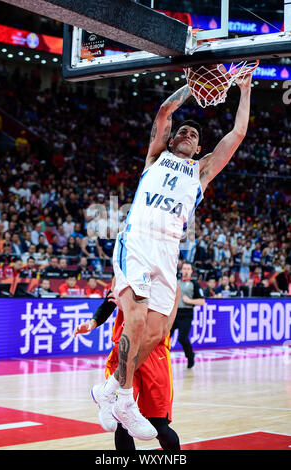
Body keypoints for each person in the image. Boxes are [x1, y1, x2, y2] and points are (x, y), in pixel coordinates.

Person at [92, 68, 253, 440]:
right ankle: (124, 401)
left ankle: (111, 389)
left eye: (193, 134)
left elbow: (238, 134)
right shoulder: (155, 157)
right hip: (138, 238)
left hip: (168, 247)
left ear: (199, 149)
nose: (186, 134)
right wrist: (193, 86)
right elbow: (165, 111)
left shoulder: (201, 172)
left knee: (158, 330)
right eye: (183, 131)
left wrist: (243, 90)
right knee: (133, 319)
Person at [74, 284, 181, 450]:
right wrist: (93, 322)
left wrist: (128, 305)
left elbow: (162, 329)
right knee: (121, 422)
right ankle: (107, 392)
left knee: (159, 427)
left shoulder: (171, 284)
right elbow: (110, 301)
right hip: (125, 347)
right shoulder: (127, 271)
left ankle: (106, 390)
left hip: (154, 353)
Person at [170, 262, 205, 368]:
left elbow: (202, 301)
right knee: (166, 336)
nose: (185, 271)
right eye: (184, 268)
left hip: (186, 314)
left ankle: (190, 356)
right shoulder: (176, 282)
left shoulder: (194, 284)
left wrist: (189, 301)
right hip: (174, 313)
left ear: (191, 271)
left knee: (182, 338)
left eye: (188, 269)